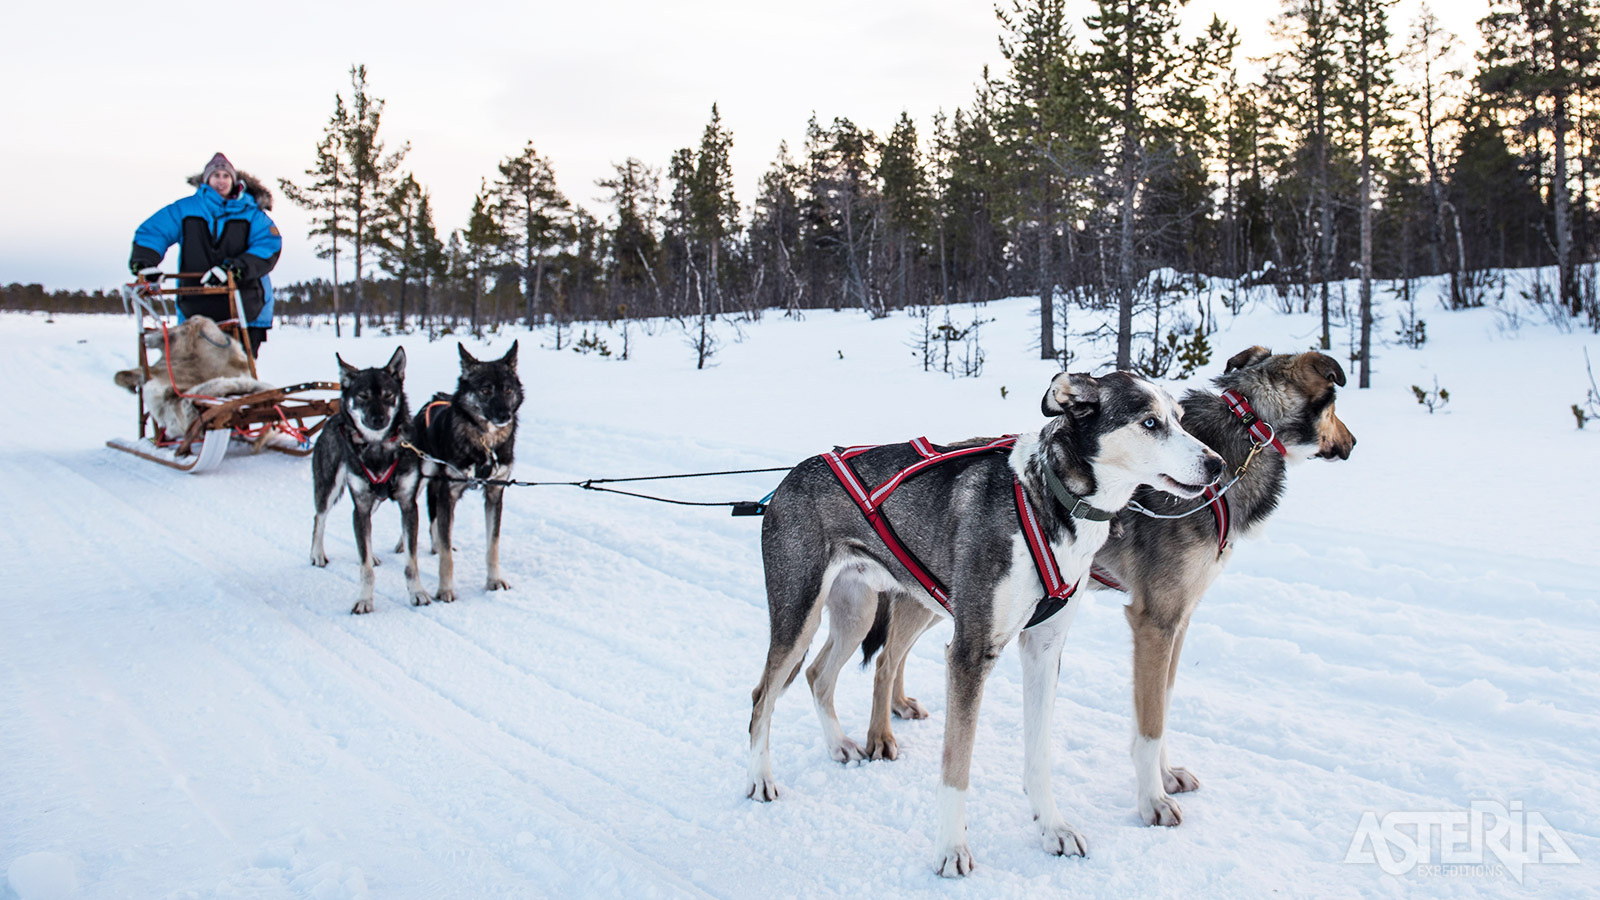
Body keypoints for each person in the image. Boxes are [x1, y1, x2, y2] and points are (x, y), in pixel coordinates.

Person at [129, 153, 281, 356]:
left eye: (226, 176)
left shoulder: (253, 214)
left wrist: (232, 269)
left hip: (245, 305)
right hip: (195, 306)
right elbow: (154, 232)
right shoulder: (186, 209)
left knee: (239, 372)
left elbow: (267, 246)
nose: (221, 181)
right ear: (206, 179)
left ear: (234, 180)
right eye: (216, 175)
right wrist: (145, 263)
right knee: (194, 371)